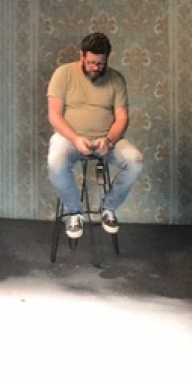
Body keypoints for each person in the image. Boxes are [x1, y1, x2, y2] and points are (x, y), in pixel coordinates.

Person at [46, 32, 145, 239]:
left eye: (100, 64)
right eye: (91, 62)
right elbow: (54, 116)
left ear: (107, 59)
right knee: (55, 162)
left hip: (106, 140)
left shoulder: (116, 79)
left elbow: (122, 119)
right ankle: (74, 212)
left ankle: (108, 209)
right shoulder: (63, 74)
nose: (95, 67)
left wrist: (108, 140)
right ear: (81, 56)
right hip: (70, 139)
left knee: (135, 161)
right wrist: (75, 139)